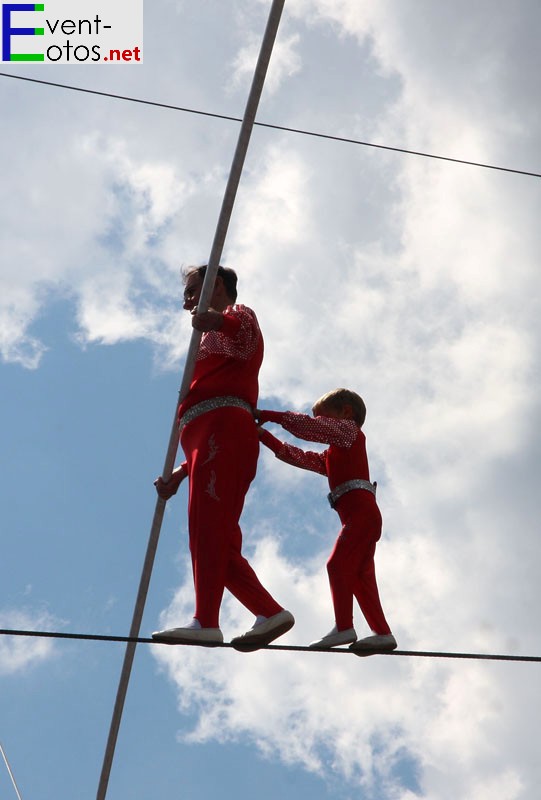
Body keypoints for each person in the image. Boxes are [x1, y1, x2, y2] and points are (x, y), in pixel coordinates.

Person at [152, 265, 294, 650]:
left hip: (221, 429)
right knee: (217, 540)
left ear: (216, 285)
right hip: (209, 440)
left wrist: (216, 320)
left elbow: (246, 338)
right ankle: (268, 611)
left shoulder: (236, 316)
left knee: (207, 532)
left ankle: (207, 620)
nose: (187, 302)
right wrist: (181, 475)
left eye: (193, 290)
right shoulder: (209, 339)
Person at [256, 388, 396, 654]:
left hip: (361, 515)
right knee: (359, 576)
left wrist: (268, 415)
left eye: (324, 419)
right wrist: (265, 437)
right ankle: (382, 633)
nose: (321, 426)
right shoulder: (337, 452)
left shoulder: (349, 432)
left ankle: (344, 626)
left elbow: (308, 428)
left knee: (337, 566)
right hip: (361, 516)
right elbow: (300, 457)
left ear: (345, 413)